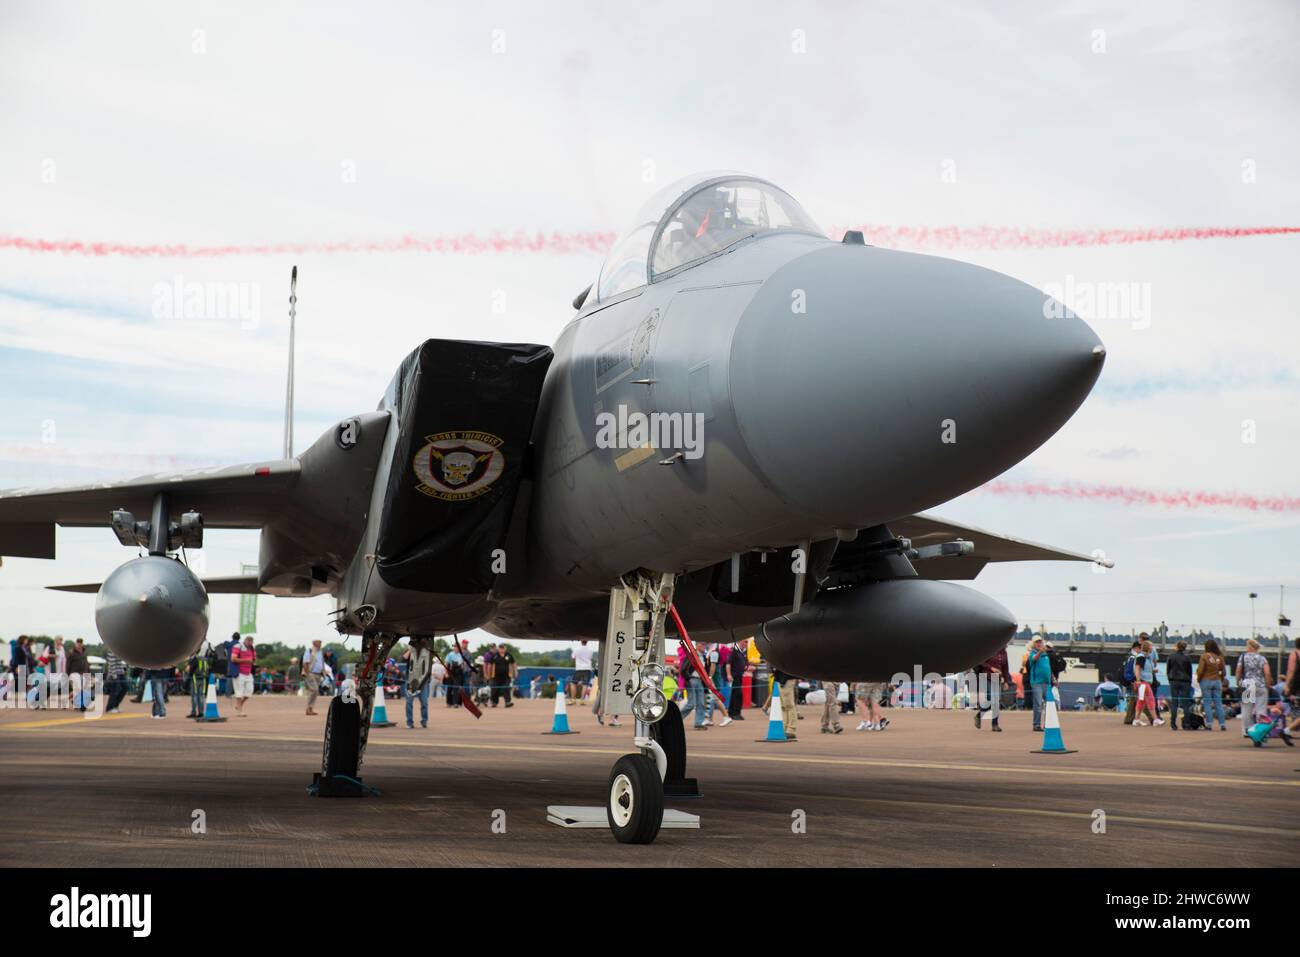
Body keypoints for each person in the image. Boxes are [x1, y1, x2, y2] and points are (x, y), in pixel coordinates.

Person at [1235, 638, 1272, 734]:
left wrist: (1238, 682)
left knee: (1246, 709)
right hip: (1261, 685)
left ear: (1249, 647)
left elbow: (1239, 671)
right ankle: (1261, 731)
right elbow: (1267, 673)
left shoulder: (1243, 657)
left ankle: (1247, 731)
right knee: (1261, 710)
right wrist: (1267, 685)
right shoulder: (1262, 658)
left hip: (1247, 684)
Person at [975, 644, 1012, 731]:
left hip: (996, 679)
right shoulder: (990, 649)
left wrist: (1006, 681)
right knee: (989, 700)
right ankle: (979, 716)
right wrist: (991, 668)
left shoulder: (1004, 653)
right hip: (986, 676)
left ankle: (995, 724)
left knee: (996, 702)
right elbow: (981, 661)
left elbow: (1005, 668)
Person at [1196, 638, 1228, 731]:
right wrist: (1220, 679)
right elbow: (1224, 672)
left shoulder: (1204, 656)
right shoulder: (1220, 657)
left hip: (1206, 680)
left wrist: (1199, 679)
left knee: (1207, 703)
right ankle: (1222, 724)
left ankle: (1209, 724)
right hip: (1217, 681)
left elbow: (1201, 670)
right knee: (1218, 703)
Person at [678, 640, 709, 730]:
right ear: (697, 645)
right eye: (702, 644)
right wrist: (689, 678)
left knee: (701, 703)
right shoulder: (691, 655)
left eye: (704, 644)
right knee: (691, 704)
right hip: (691, 680)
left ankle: (698, 723)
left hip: (700, 681)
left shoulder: (703, 657)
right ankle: (676, 719)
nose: (704, 646)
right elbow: (683, 669)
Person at [402, 643, 431, 729]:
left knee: (424, 702)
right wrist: (410, 650)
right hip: (411, 680)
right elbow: (403, 659)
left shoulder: (425, 652)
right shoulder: (409, 652)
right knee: (409, 702)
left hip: (423, 681)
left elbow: (428, 665)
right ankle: (409, 722)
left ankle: (424, 721)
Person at [1165, 640, 1193, 730]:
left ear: (1177, 646)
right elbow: (1190, 671)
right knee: (1186, 704)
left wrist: (1170, 679)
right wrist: (1189, 681)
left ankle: (1173, 724)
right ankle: (1187, 724)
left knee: (1174, 703)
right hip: (1185, 681)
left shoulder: (1171, 656)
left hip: (1174, 680)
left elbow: (1168, 669)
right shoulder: (1187, 658)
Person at [1026, 636, 1053, 732]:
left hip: (1047, 682)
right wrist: (1041, 651)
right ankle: (1036, 725)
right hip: (1037, 682)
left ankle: (1048, 724)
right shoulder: (1032, 653)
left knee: (1049, 704)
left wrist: (1053, 678)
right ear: (1033, 644)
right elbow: (1034, 659)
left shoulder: (1046, 655)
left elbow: (1048, 668)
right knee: (1038, 704)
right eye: (1037, 642)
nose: (1039, 643)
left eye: (1040, 642)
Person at [1131, 645, 1162, 726]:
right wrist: (1138, 680)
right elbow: (1137, 668)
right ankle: (1155, 719)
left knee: (1141, 701)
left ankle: (1136, 719)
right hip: (1143, 682)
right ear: (1148, 648)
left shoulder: (1146, 657)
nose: (1152, 648)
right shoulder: (1141, 657)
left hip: (1144, 682)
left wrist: (1153, 671)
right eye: (1151, 647)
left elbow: (1143, 669)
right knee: (1150, 699)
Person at [186, 641, 215, 718]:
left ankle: (193, 712)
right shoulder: (205, 659)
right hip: (203, 679)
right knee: (201, 696)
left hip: (195, 679)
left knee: (194, 696)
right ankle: (201, 712)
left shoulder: (195, 660)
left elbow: (190, 670)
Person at [230, 635, 256, 716]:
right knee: (239, 692)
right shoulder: (238, 646)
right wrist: (246, 660)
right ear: (246, 641)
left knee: (249, 691)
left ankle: (239, 705)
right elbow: (233, 658)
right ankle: (240, 712)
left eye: (252, 642)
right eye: (249, 642)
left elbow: (253, 659)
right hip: (239, 673)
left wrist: (253, 661)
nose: (250, 644)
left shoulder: (252, 648)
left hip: (248, 673)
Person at [773, 666, 798, 739]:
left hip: (786, 679)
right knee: (783, 706)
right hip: (780, 679)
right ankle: (785, 728)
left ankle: (791, 729)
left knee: (789, 705)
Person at [302, 640, 327, 715]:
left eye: (321, 642)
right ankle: (308, 708)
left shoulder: (320, 652)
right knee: (314, 690)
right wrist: (307, 673)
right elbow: (305, 662)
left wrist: (324, 673)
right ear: (314, 643)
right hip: (311, 674)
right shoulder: (309, 651)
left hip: (318, 674)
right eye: (318, 642)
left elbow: (321, 663)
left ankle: (310, 709)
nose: (320, 644)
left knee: (314, 691)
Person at [66, 638, 91, 710]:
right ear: (75, 644)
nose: (79, 644)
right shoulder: (72, 653)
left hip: (83, 674)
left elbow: (86, 665)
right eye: (78, 642)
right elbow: (68, 665)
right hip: (74, 673)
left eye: (81, 642)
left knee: (83, 689)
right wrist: (67, 675)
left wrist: (89, 674)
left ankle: (76, 703)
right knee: (78, 687)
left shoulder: (84, 653)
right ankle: (78, 704)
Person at [1122, 639, 1143, 724]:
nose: (1141, 650)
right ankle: (1129, 718)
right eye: (1140, 648)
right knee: (1133, 700)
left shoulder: (1131, 656)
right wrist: (1133, 680)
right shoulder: (1132, 657)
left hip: (1131, 680)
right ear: (1136, 648)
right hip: (1133, 681)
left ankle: (1130, 718)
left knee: (1133, 700)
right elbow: (1130, 670)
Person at [489, 642, 515, 708]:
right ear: (498, 649)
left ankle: (507, 702)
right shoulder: (495, 655)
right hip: (495, 676)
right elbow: (490, 665)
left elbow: (513, 663)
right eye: (500, 648)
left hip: (506, 676)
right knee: (494, 690)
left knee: (506, 688)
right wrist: (488, 674)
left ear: (505, 648)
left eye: (503, 648)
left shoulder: (509, 655)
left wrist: (515, 672)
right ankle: (494, 702)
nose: (501, 649)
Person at [727, 639, 748, 720]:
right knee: (737, 694)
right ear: (740, 642)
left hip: (740, 676)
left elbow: (744, 663)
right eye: (745, 641)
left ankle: (734, 713)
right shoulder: (734, 652)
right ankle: (735, 713)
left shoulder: (741, 653)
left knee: (735, 695)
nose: (746, 643)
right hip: (734, 676)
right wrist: (729, 675)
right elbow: (728, 664)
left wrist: (745, 667)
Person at [104, 648, 129, 713]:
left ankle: (115, 705)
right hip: (114, 673)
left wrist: (123, 671)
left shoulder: (119, 650)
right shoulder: (112, 649)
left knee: (125, 687)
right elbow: (111, 663)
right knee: (115, 691)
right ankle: (109, 708)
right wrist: (114, 675)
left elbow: (120, 662)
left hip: (121, 672)